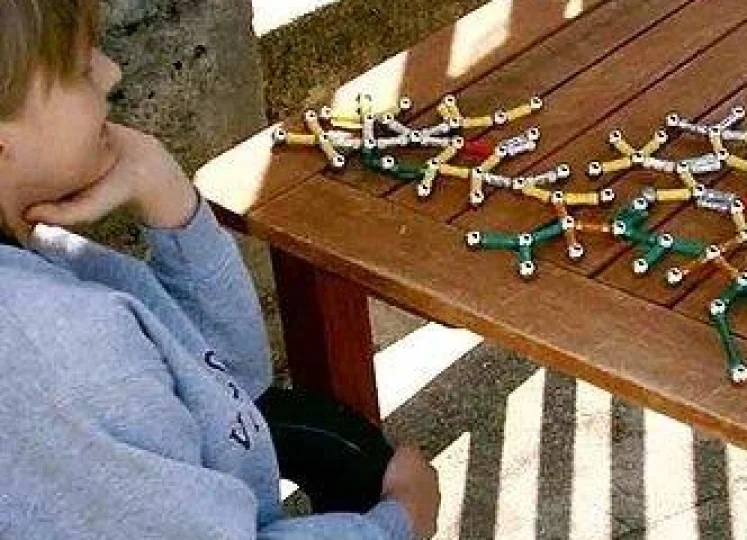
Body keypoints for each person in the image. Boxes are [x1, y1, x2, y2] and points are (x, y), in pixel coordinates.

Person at [0, 0, 439, 537]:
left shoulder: (41, 268)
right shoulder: (59, 351)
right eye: (77, 70)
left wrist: (163, 190)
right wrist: (399, 521)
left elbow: (228, 379)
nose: (112, 73)